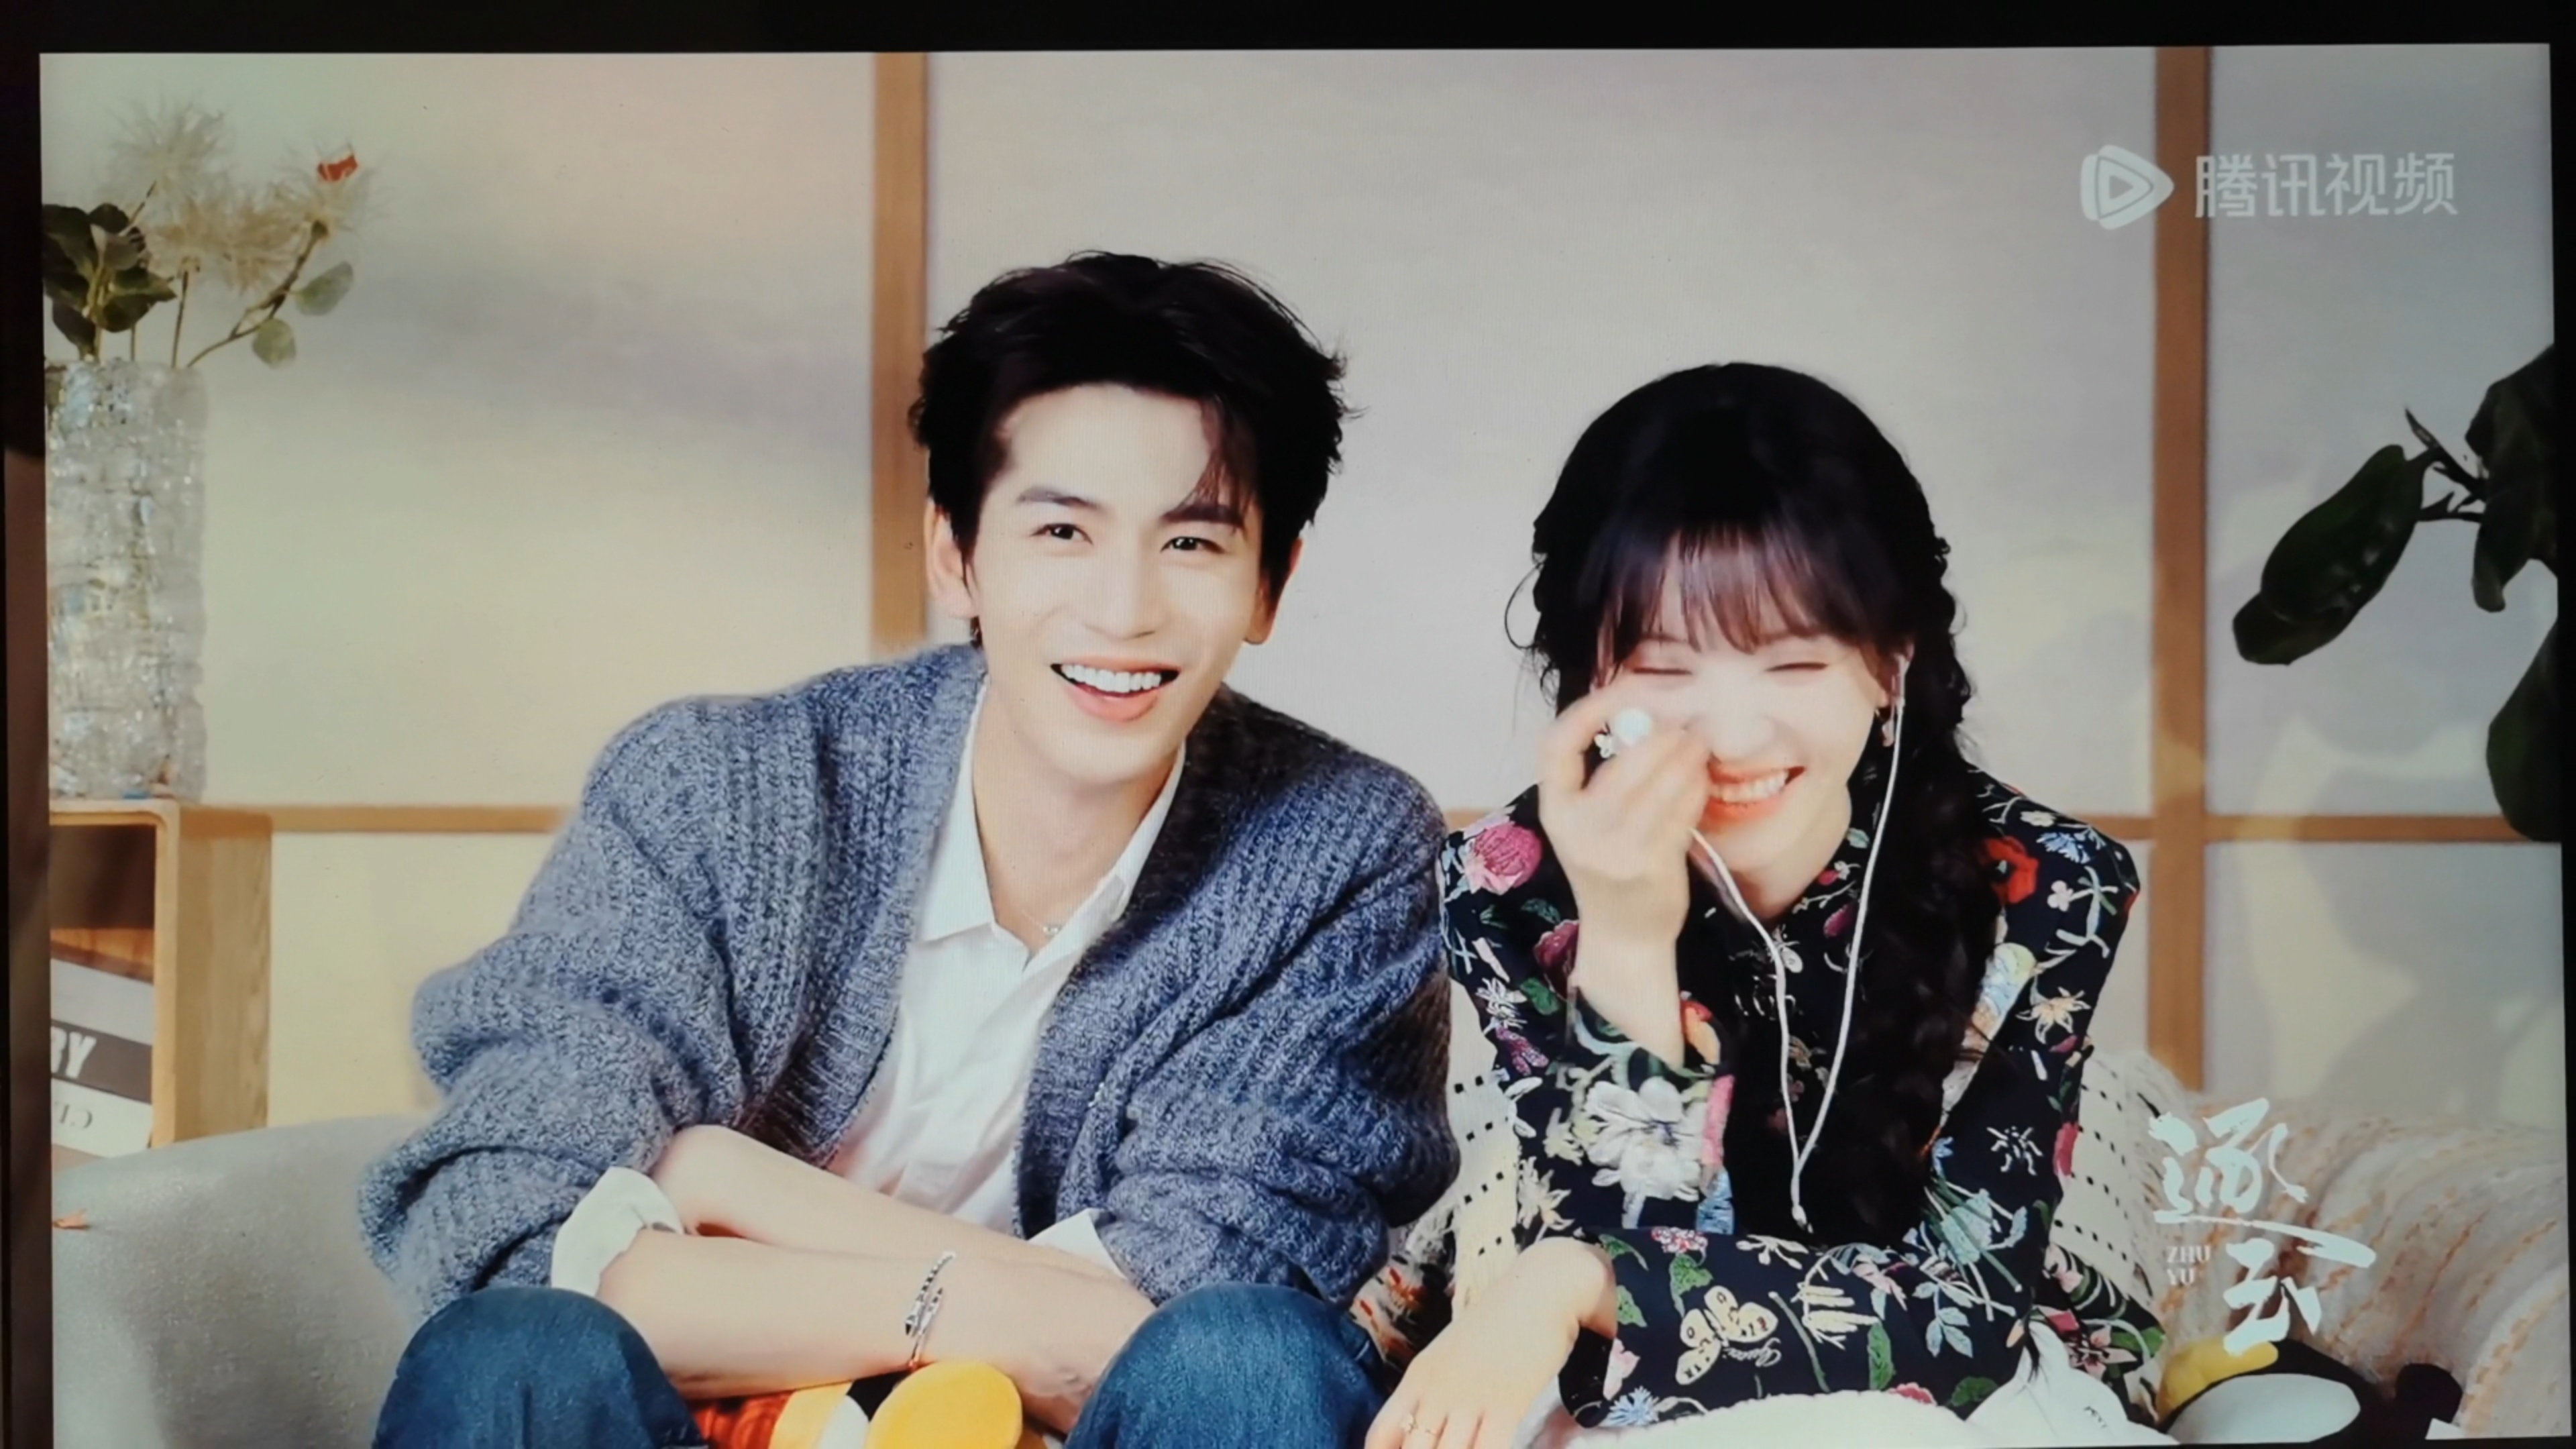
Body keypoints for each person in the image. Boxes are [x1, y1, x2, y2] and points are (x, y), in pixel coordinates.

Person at [361, 252, 1457, 1449]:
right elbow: (507, 1227)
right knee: (512, 1354)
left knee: (1252, 1362)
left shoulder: (1337, 852)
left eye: (1191, 544)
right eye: (1062, 530)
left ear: (1271, 584)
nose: (1123, 610)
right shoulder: (722, 792)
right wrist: (974, 1310)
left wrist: (719, 1182)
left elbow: (1181, 1317)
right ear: (956, 554)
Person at [1361, 364, 2163, 1446]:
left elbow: (1965, 1324)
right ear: (1588, 673)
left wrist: (1575, 1280)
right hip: (1614, 1388)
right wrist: (1628, 939)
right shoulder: (1506, 886)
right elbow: (1604, 1327)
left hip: (1963, 1386)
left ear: (1891, 662)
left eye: (1792, 664)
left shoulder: (2046, 883)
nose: (1733, 738)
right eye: (1664, 669)